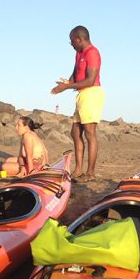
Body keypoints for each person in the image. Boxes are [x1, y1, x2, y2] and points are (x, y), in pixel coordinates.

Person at [51, 25, 105, 181]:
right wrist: (67, 83)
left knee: (90, 133)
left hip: (92, 93)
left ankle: (90, 173)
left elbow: (90, 80)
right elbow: (76, 77)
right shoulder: (79, 54)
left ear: (79, 39)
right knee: (75, 132)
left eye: (72, 41)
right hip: (81, 94)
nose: (71, 44)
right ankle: (78, 170)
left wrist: (66, 87)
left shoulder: (92, 53)